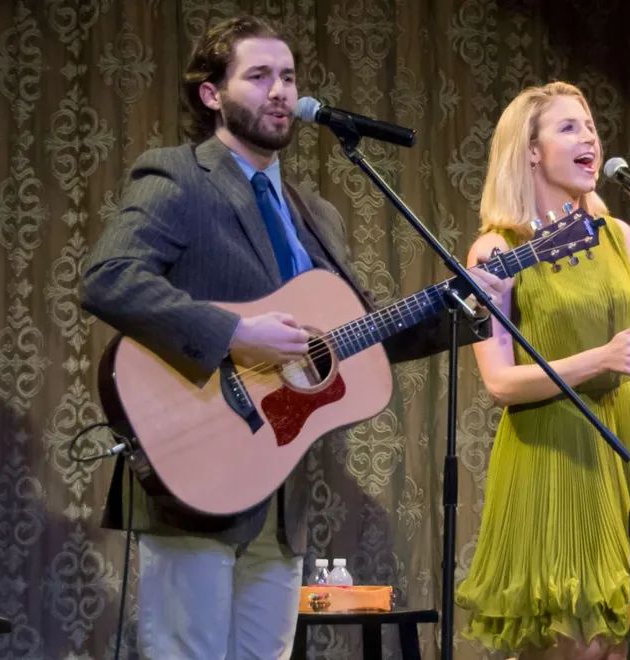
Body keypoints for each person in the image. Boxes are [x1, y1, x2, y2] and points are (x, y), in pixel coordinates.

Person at [81, 16, 497, 657]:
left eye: (288, 77)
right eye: (258, 76)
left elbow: (363, 336)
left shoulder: (317, 214)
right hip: (193, 471)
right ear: (211, 94)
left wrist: (469, 309)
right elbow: (108, 278)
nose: (280, 91)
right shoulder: (178, 176)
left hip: (281, 496)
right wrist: (236, 333)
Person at [455, 81, 630, 659]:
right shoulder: (497, 249)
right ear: (530, 151)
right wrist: (598, 359)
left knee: (615, 643)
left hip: (625, 451)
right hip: (553, 453)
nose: (589, 137)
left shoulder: (618, 235)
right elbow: (499, 383)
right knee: (568, 647)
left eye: (591, 126)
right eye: (569, 127)